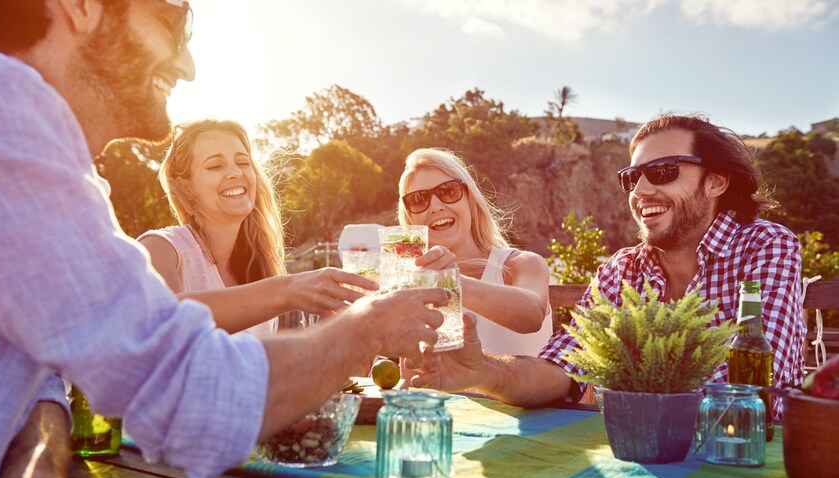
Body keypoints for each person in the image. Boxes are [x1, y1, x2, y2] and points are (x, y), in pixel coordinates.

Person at [0, 1, 446, 478]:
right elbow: (190, 391)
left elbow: (34, 371)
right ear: (80, 7)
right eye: (174, 20)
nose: (187, 67)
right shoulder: (8, 116)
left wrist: (37, 455)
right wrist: (368, 328)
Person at [410, 114, 806, 418]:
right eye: (632, 178)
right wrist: (482, 371)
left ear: (716, 181)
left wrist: (619, 390)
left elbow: (753, 390)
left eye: (663, 171)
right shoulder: (623, 270)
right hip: (641, 454)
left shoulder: (764, 246)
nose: (641, 190)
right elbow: (561, 367)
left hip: (749, 463)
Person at [138, 119, 375, 338]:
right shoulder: (160, 249)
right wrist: (288, 290)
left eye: (243, 162)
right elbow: (167, 321)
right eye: (215, 166)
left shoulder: (258, 268)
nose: (236, 173)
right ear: (186, 187)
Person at [399, 148, 553, 356]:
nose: (435, 207)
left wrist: (451, 281)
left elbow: (532, 315)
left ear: (470, 200)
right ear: (410, 218)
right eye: (418, 199)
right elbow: (414, 377)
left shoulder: (521, 264)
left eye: (448, 191)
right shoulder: (416, 286)